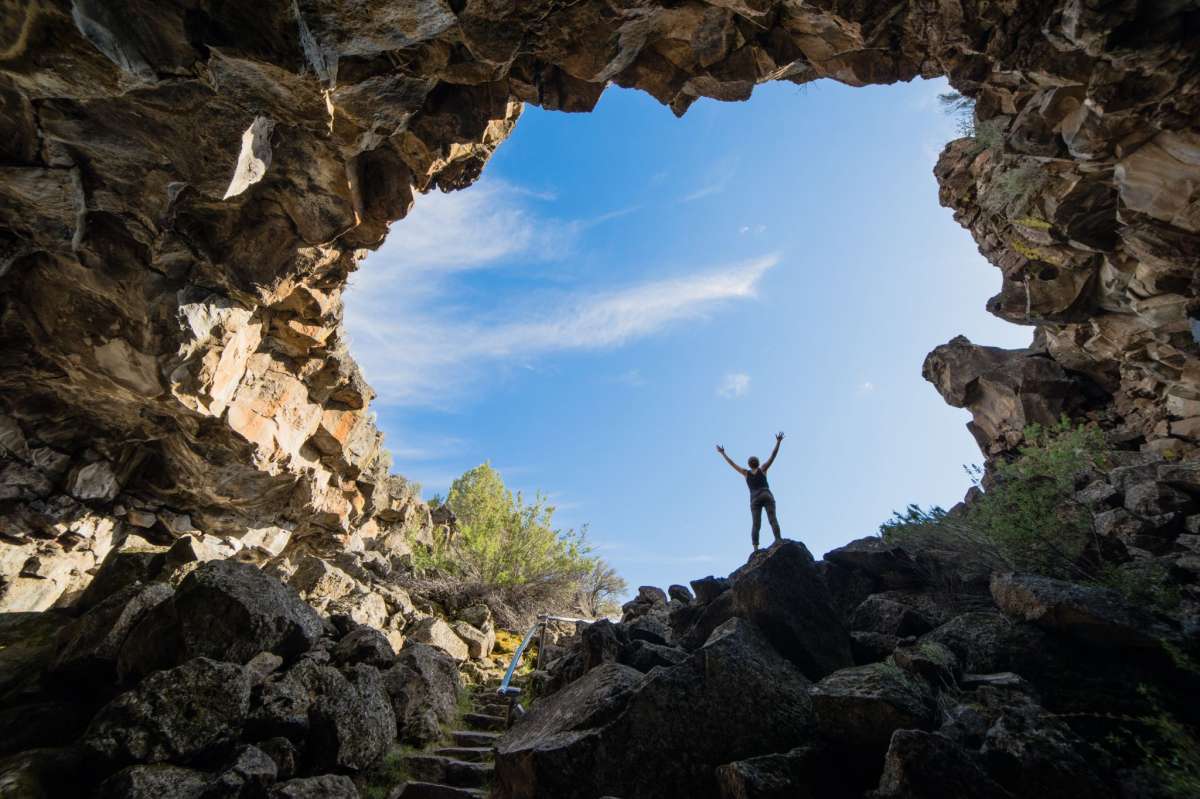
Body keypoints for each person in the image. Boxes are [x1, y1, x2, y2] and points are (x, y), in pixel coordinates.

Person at [716, 432, 784, 551]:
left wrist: (723, 454)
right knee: (772, 518)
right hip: (766, 494)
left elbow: (732, 464)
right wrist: (778, 442)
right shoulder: (763, 469)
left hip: (754, 499)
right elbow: (772, 456)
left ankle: (756, 548)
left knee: (756, 524)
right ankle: (778, 539)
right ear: (757, 462)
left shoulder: (746, 473)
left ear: (749, 464)